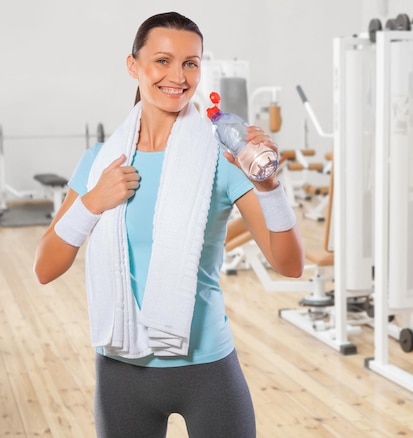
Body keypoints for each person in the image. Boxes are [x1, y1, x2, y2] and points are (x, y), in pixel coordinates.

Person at [33, 11, 304, 438]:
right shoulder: (101, 163)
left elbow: (289, 265)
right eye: (162, 61)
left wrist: (268, 186)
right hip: (122, 373)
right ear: (133, 65)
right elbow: (45, 268)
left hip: (208, 369)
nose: (177, 76)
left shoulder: (223, 157)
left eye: (190, 63)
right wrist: (92, 203)